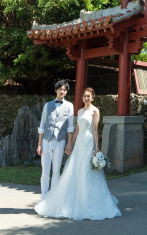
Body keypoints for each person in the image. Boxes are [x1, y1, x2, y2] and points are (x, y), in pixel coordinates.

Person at [34, 87, 121, 220]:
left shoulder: (95, 111)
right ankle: (71, 199)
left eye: (88, 96)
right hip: (79, 142)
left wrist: (97, 146)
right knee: (75, 169)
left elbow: (95, 130)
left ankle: (89, 201)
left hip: (89, 141)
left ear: (93, 97)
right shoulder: (79, 111)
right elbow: (76, 130)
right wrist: (71, 143)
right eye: (84, 96)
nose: (86, 98)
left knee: (87, 170)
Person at [37, 80, 75, 198]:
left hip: (60, 141)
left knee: (57, 171)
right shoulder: (47, 105)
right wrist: (39, 144)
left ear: (66, 92)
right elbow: (42, 125)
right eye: (60, 89)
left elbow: (70, 127)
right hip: (46, 140)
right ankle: (44, 196)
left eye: (64, 89)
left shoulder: (69, 106)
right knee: (45, 170)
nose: (62, 91)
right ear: (56, 90)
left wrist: (69, 143)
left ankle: (53, 197)